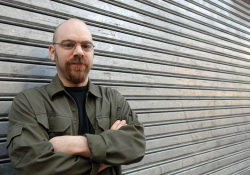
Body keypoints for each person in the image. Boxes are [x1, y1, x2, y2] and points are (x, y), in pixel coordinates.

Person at [6, 18, 146, 175]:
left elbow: (137, 144)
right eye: (68, 45)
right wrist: (104, 159)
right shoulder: (29, 102)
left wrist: (78, 144)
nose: (79, 52)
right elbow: (30, 165)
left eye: (86, 46)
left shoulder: (113, 100)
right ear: (53, 52)